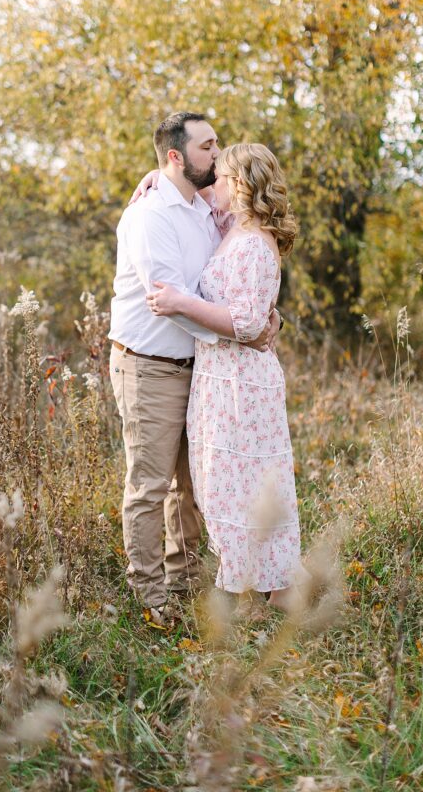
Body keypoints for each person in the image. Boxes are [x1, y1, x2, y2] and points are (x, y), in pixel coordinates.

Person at [108, 114, 280, 616]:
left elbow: (243, 272)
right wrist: (247, 332)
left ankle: (183, 586)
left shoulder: (207, 206)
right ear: (176, 157)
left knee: (191, 484)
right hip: (151, 366)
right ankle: (150, 598)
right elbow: (171, 300)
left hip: (202, 368)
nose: (217, 154)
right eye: (207, 147)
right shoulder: (148, 216)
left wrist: (267, 317)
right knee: (150, 484)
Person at [146, 143, 301, 610]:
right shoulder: (233, 228)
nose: (212, 185)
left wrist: (181, 303)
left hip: (242, 385)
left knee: (241, 485)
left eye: (220, 178)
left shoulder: (254, 242)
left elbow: (251, 322)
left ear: (240, 184)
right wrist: (154, 179)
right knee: (221, 483)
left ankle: (251, 591)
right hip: (219, 378)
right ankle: (262, 586)